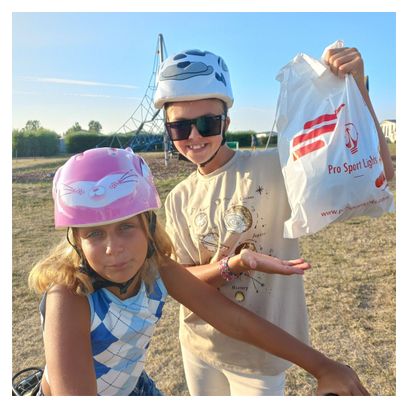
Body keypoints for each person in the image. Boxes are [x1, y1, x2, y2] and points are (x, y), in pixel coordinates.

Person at [28, 147, 369, 396]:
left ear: (148, 224)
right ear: (75, 239)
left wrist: (323, 365)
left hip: (133, 389)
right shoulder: (69, 296)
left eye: (126, 228)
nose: (112, 248)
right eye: (94, 234)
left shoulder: (154, 267)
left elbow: (231, 318)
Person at [154, 48, 394, 396]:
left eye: (206, 122)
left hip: (263, 357)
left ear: (226, 123)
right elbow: (183, 276)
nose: (193, 136)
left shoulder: (277, 167)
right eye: (179, 126)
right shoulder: (178, 197)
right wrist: (233, 265)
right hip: (198, 347)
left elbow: (378, 172)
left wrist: (357, 88)